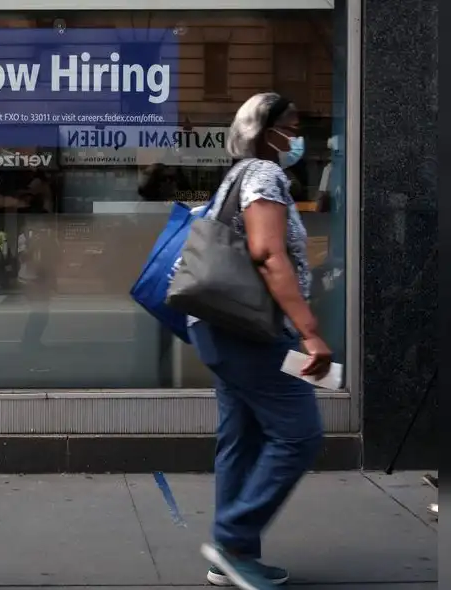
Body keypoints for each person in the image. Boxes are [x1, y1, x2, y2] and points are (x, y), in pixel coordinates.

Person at [188, 93, 331, 590]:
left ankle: (234, 557)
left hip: (221, 329)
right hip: (249, 330)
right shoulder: (264, 176)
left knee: (242, 440)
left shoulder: (238, 174)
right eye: (290, 127)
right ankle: (232, 538)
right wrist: (310, 332)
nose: (296, 138)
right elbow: (268, 253)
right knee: (299, 433)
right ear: (264, 129)